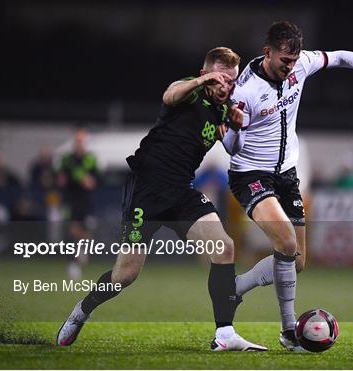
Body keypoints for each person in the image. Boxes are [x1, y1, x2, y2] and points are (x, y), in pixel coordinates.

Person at [221, 21, 353, 351]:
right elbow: (230, 148)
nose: (290, 67)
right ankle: (288, 332)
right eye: (285, 60)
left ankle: (236, 287)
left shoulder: (301, 64)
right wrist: (235, 128)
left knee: (296, 260)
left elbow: (340, 57)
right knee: (285, 242)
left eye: (294, 60)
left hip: (286, 173)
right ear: (267, 52)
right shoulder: (244, 91)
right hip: (251, 175)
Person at [56, 47, 266, 352]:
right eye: (220, 79)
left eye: (230, 81)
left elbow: (236, 149)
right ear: (204, 74)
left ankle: (225, 333)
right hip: (147, 189)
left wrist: (237, 125)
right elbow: (170, 95)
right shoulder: (190, 91)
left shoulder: (224, 109)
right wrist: (201, 81)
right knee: (124, 275)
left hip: (181, 191)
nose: (225, 86)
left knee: (224, 247)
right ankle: (82, 310)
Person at [57, 127, 99, 279]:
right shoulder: (67, 160)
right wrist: (79, 178)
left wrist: (85, 179)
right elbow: (61, 178)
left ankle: (82, 252)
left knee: (87, 231)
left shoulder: (90, 159)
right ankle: (72, 264)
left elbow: (93, 180)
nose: (80, 144)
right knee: (72, 230)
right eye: (77, 141)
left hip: (86, 201)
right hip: (71, 200)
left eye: (82, 141)